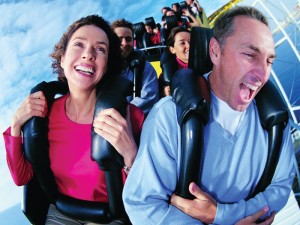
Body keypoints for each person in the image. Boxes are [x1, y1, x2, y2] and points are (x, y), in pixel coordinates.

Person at [123, 6, 295, 225]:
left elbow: (281, 186)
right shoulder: (168, 117)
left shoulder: (274, 121)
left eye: (269, 61)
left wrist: (219, 215)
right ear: (214, 51)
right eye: (250, 55)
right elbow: (143, 206)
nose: (262, 73)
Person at [3, 15, 144, 225]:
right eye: (79, 45)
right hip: (61, 213)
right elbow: (21, 177)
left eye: (100, 49)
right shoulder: (43, 115)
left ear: (107, 65)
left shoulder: (132, 117)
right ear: (62, 58)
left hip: (113, 216)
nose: (88, 54)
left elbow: (146, 191)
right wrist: (16, 125)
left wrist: (131, 155)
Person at [111, 18, 159, 115]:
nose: (124, 43)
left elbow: (149, 98)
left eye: (128, 39)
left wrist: (120, 115)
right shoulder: (101, 65)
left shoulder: (144, 66)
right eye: (119, 39)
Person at [160, 26, 190, 97]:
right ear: (172, 49)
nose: (189, 46)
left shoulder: (208, 61)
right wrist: (164, 93)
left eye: (191, 41)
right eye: (182, 43)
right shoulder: (166, 75)